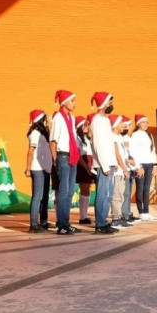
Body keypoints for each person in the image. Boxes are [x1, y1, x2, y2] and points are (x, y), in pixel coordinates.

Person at [48, 89, 79, 236]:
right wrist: (55, 160)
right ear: (64, 102)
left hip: (72, 156)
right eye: (72, 101)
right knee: (63, 191)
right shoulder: (58, 118)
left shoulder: (71, 119)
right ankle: (61, 224)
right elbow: (53, 141)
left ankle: (66, 222)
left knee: (70, 191)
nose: (75, 104)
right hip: (63, 156)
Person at [89, 92, 119, 234]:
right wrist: (105, 164)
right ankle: (99, 224)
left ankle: (104, 221)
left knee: (108, 193)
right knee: (102, 193)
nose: (110, 105)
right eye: (109, 102)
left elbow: (108, 143)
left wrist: (113, 161)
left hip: (109, 162)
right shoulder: (96, 121)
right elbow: (98, 144)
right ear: (102, 104)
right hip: (103, 164)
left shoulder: (105, 120)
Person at [24, 109, 52, 233]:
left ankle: (44, 221)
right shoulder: (35, 133)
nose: (46, 121)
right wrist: (28, 168)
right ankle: (33, 224)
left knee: (45, 196)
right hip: (37, 168)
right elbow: (31, 151)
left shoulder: (44, 133)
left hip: (45, 168)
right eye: (45, 119)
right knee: (37, 196)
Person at [129, 114, 157, 221]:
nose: (146, 124)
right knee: (140, 188)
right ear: (138, 124)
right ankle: (141, 212)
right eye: (143, 122)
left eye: (147, 122)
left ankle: (146, 211)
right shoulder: (135, 135)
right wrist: (138, 166)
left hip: (149, 164)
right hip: (140, 165)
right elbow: (133, 151)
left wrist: (155, 165)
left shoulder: (149, 135)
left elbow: (153, 151)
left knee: (146, 189)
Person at [119, 116, 143, 224]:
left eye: (128, 125)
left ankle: (127, 213)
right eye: (125, 125)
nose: (126, 127)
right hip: (125, 169)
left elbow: (134, 155)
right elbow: (127, 156)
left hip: (131, 168)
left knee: (128, 193)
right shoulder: (121, 139)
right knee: (125, 193)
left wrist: (137, 166)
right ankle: (124, 215)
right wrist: (135, 166)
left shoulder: (129, 139)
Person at [75, 114, 94, 225]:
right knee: (84, 189)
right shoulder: (77, 138)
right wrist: (86, 167)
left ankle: (85, 216)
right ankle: (82, 217)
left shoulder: (88, 138)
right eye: (85, 125)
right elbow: (78, 155)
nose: (87, 127)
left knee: (88, 190)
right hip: (83, 164)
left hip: (90, 162)